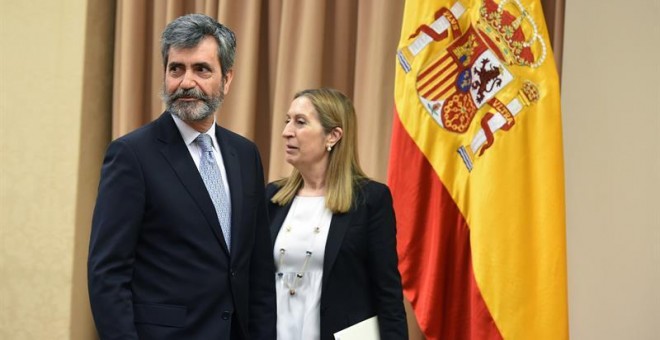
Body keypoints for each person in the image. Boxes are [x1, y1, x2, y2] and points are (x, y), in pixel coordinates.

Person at [88, 14, 275, 340]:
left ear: (227, 79)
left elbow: (257, 269)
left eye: (201, 69)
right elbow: (107, 273)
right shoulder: (132, 155)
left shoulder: (245, 155)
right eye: (176, 69)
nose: (186, 82)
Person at [267, 88, 409, 340]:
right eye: (287, 120)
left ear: (333, 136)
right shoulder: (272, 198)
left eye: (300, 122)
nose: (286, 131)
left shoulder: (369, 200)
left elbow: (387, 294)